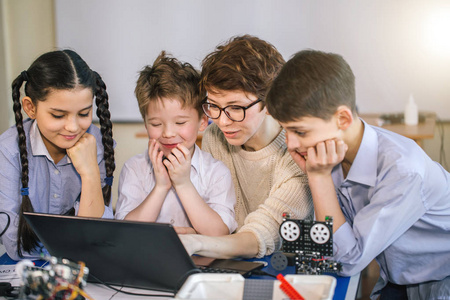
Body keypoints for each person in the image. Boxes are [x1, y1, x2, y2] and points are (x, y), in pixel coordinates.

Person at [265, 49, 450, 300]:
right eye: (286, 130)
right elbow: (337, 246)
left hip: (439, 279)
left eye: (300, 131)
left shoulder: (403, 171)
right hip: (397, 277)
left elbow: (347, 261)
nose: (291, 144)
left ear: (342, 118)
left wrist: (318, 178)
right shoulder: (328, 152)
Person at [179, 35, 313, 259]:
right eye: (213, 106)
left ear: (270, 102)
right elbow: (219, 217)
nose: (222, 121)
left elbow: (263, 233)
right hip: (233, 262)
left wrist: (197, 241)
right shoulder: (215, 136)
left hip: (285, 268)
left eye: (236, 108)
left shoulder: (298, 151)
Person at [0, 50, 115, 261]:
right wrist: (77, 244)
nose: (72, 127)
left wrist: (89, 173)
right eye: (58, 115)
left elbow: (98, 237)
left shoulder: (98, 145)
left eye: (83, 114)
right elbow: (14, 244)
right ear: (30, 107)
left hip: (81, 266)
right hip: (24, 267)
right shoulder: (7, 152)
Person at [115, 51, 237, 236]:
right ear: (145, 122)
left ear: (203, 122)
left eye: (180, 123)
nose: (168, 133)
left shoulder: (216, 173)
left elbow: (220, 232)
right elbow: (125, 232)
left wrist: (183, 183)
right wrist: (161, 187)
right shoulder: (134, 169)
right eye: (156, 124)